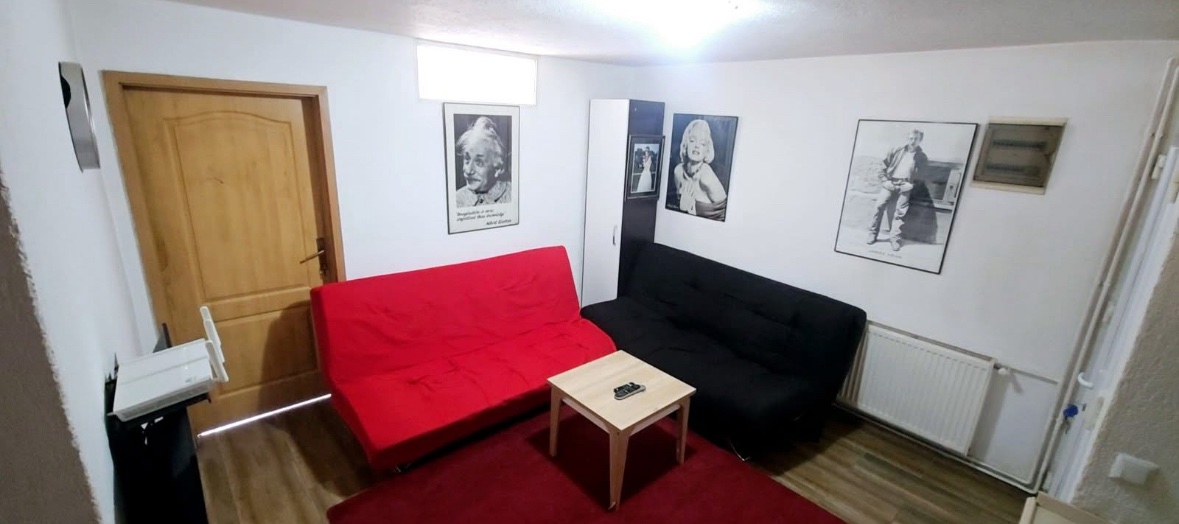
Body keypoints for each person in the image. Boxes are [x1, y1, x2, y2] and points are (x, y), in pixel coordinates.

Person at [868, 128, 927, 251]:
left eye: (916, 139)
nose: (913, 141)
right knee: (879, 206)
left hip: (906, 185)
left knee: (900, 212)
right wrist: (885, 181)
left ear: (920, 140)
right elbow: (882, 167)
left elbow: (922, 176)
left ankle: (894, 239)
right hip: (890, 182)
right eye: (911, 138)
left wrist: (912, 185)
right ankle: (872, 233)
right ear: (908, 138)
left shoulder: (922, 157)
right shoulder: (896, 151)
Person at [671, 119, 727, 220]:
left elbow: (724, 214)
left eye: (703, 143)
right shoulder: (678, 171)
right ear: (686, 144)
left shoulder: (706, 176)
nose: (697, 146)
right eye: (692, 140)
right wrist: (683, 208)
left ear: (707, 151)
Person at [455, 116, 511, 208]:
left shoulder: (513, 195)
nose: (468, 171)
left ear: (498, 169)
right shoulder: (457, 199)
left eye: (479, 162)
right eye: (467, 160)